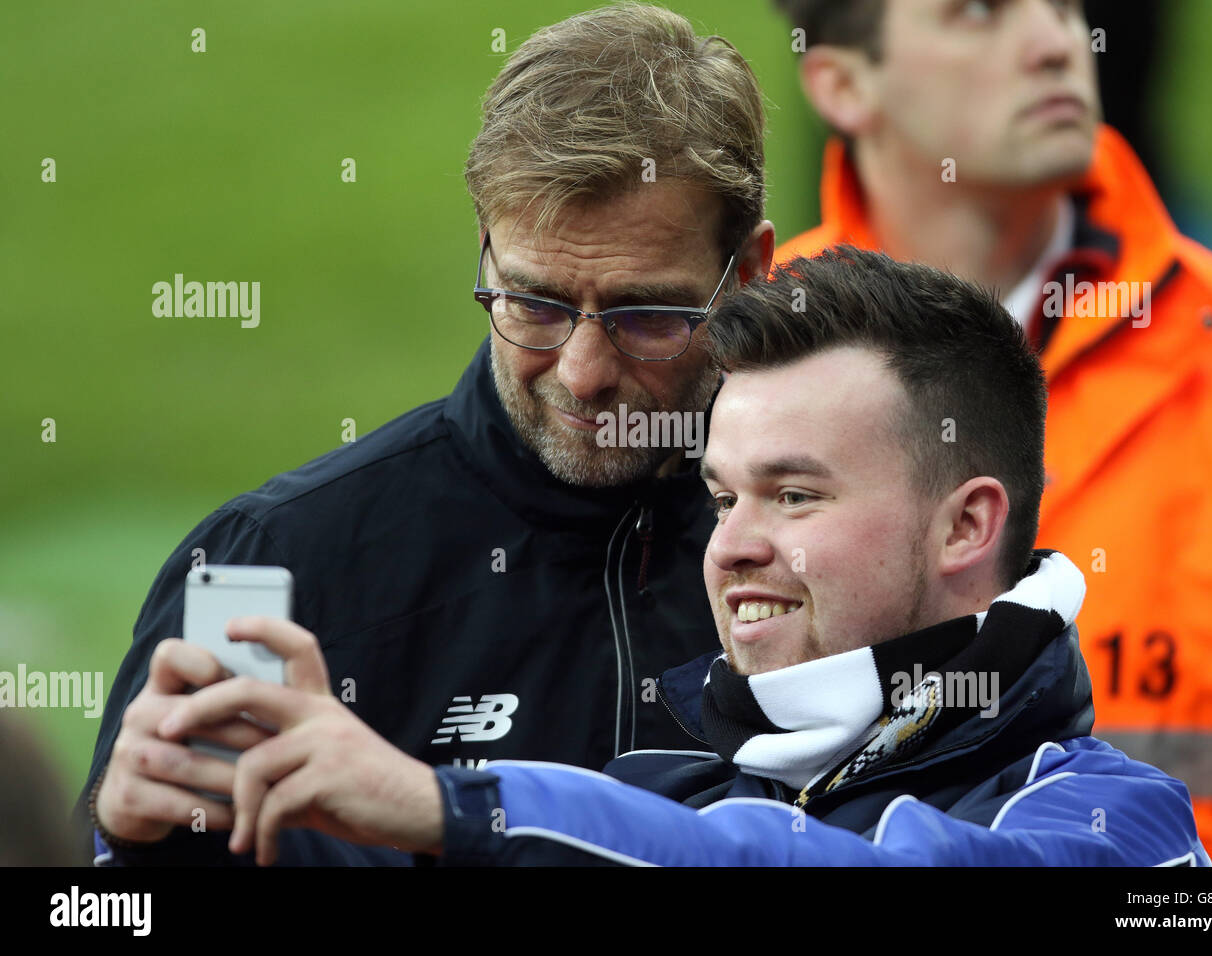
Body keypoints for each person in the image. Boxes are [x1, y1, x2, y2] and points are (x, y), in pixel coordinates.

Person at [141, 247, 1210, 867]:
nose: (732, 546)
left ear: (966, 526)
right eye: (720, 494)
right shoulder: (661, 793)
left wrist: (458, 803)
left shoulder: (1119, 827)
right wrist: (193, 833)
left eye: (794, 493)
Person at [78, 3, 775, 865]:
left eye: (646, 313)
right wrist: (129, 848)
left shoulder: (850, 535)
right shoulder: (273, 564)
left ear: (748, 272)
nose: (583, 371)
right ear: (486, 251)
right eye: (535, 303)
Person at [772, 0, 1212, 866]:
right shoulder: (735, 377)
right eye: (978, 13)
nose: (1058, 42)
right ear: (842, 82)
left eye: (1063, 5)